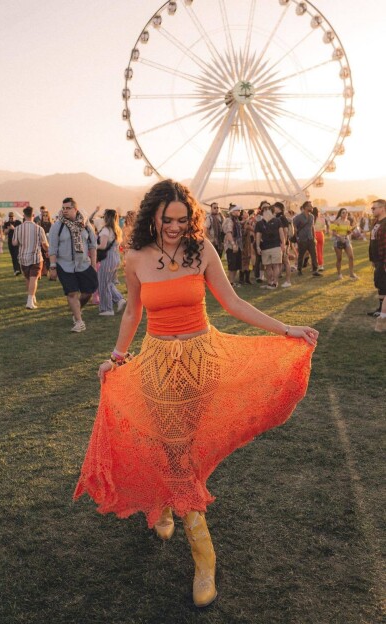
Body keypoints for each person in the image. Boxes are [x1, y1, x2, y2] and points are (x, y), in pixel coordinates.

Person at [74, 180, 318, 609]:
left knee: (181, 446)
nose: (174, 227)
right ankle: (203, 555)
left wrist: (286, 328)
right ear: (153, 216)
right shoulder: (134, 258)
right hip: (156, 363)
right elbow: (133, 310)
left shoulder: (202, 250)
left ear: (192, 219)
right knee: (171, 446)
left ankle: (174, 507)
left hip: (201, 361)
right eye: (167, 220)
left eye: (182, 220)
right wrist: (116, 357)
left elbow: (233, 303)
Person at [48, 197, 98, 332]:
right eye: (63, 208)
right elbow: (52, 248)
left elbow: (93, 246)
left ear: (75, 209)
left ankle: (76, 310)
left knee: (88, 292)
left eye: (68, 208)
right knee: (72, 293)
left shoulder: (86, 225)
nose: (64, 211)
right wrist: (52, 267)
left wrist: (93, 265)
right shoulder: (57, 226)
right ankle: (79, 321)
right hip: (65, 265)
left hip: (83, 264)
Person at [12, 206, 48, 309]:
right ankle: (30, 301)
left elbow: (14, 243)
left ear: (23, 215)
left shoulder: (18, 228)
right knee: (34, 279)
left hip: (23, 257)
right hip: (35, 257)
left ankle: (31, 298)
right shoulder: (39, 228)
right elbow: (45, 244)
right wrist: (48, 250)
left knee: (28, 278)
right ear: (33, 215)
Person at [97, 209, 126, 316]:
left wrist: (93, 247)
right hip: (115, 257)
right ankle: (119, 299)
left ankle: (106, 309)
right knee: (109, 282)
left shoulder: (106, 230)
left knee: (103, 283)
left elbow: (103, 245)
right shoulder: (118, 230)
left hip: (106, 259)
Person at [255, 204, 285, 289]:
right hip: (265, 247)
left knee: (275, 265)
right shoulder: (260, 223)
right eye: (264, 209)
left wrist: (283, 244)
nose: (266, 211)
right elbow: (258, 235)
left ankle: (274, 283)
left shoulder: (277, 221)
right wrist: (257, 246)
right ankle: (270, 282)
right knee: (268, 266)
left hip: (275, 246)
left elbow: (281, 233)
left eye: (267, 209)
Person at [368, 199, 386, 332]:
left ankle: (382, 313)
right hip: (377, 259)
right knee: (379, 283)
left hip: (383, 259)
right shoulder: (376, 222)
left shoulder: (385, 224)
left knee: (383, 283)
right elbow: (372, 242)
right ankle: (380, 309)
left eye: (374, 208)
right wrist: (372, 258)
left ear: (382, 208)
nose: (372, 210)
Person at [293, 201, 322, 278]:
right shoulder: (298, 217)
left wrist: (314, 237)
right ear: (305, 207)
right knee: (301, 255)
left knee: (314, 254)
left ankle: (315, 270)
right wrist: (297, 237)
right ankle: (299, 270)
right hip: (302, 239)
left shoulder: (312, 216)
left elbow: (312, 227)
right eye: (310, 206)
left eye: (312, 206)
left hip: (310, 238)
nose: (311, 207)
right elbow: (294, 227)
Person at [329, 208, 358, 280]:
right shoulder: (336, 221)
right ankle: (339, 274)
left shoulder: (348, 222)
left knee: (351, 256)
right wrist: (339, 237)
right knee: (339, 258)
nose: (345, 214)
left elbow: (348, 232)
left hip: (346, 239)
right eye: (343, 213)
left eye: (346, 213)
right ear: (340, 214)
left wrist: (351, 230)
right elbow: (333, 232)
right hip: (337, 240)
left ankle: (351, 274)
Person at [222, 204, 243, 287]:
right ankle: (230, 283)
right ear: (232, 211)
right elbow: (228, 233)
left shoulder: (236, 220)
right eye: (237, 210)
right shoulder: (229, 220)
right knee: (232, 265)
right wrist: (233, 244)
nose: (239, 212)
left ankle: (232, 282)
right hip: (231, 246)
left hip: (237, 245)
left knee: (236, 265)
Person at [312, 206, 327, 271]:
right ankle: (321, 265)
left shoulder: (311, 218)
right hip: (320, 234)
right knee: (320, 250)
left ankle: (315, 265)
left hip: (314, 234)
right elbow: (324, 229)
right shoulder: (322, 219)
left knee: (313, 251)